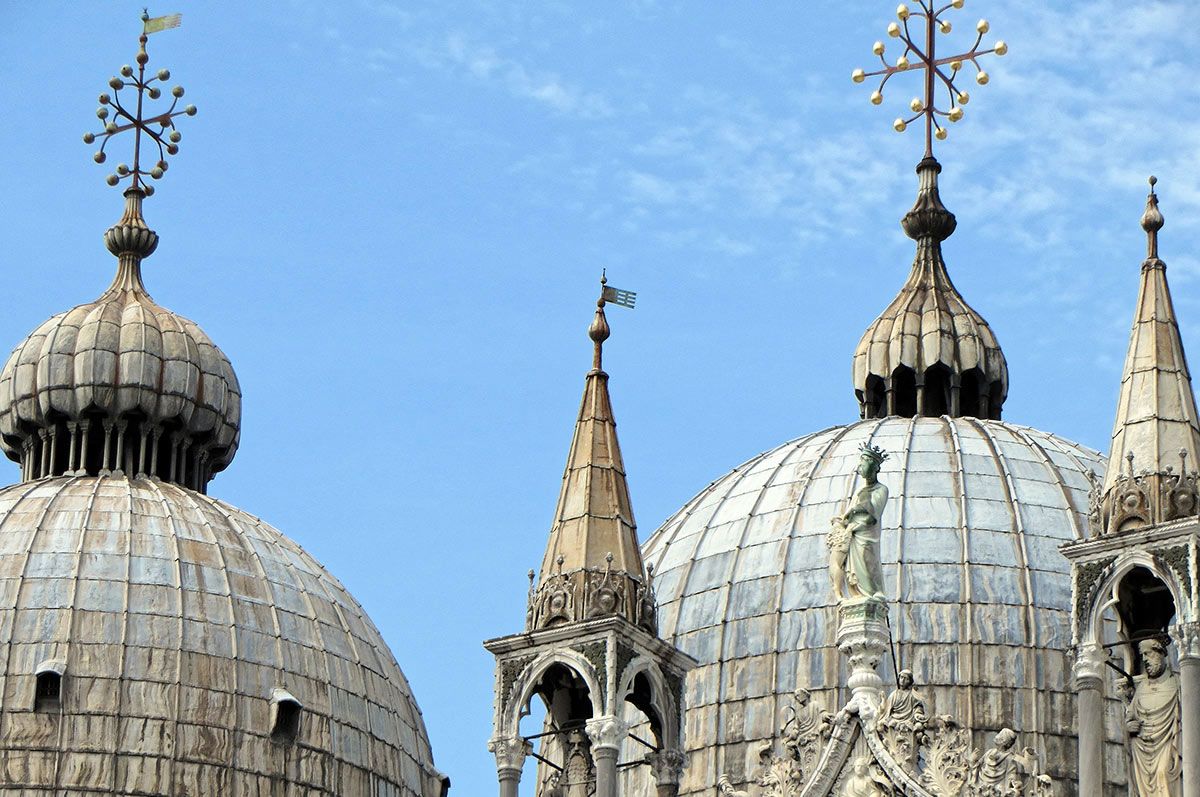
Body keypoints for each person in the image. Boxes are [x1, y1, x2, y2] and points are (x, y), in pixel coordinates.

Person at [829, 444, 889, 601]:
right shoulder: (859, 491)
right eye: (862, 461)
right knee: (856, 563)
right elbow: (849, 513)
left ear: (875, 468)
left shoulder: (881, 489)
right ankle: (858, 593)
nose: (862, 466)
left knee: (868, 560)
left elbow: (874, 511)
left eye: (867, 462)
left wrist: (856, 509)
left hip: (867, 533)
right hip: (854, 534)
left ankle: (872, 593)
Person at [1126, 638, 1182, 797]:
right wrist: (1128, 726)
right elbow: (1129, 717)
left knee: (1163, 773)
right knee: (1142, 781)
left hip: (1166, 741)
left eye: (1148, 654)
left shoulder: (1177, 683)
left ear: (1160, 654)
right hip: (1141, 747)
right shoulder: (1142, 688)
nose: (1145, 660)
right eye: (1142, 656)